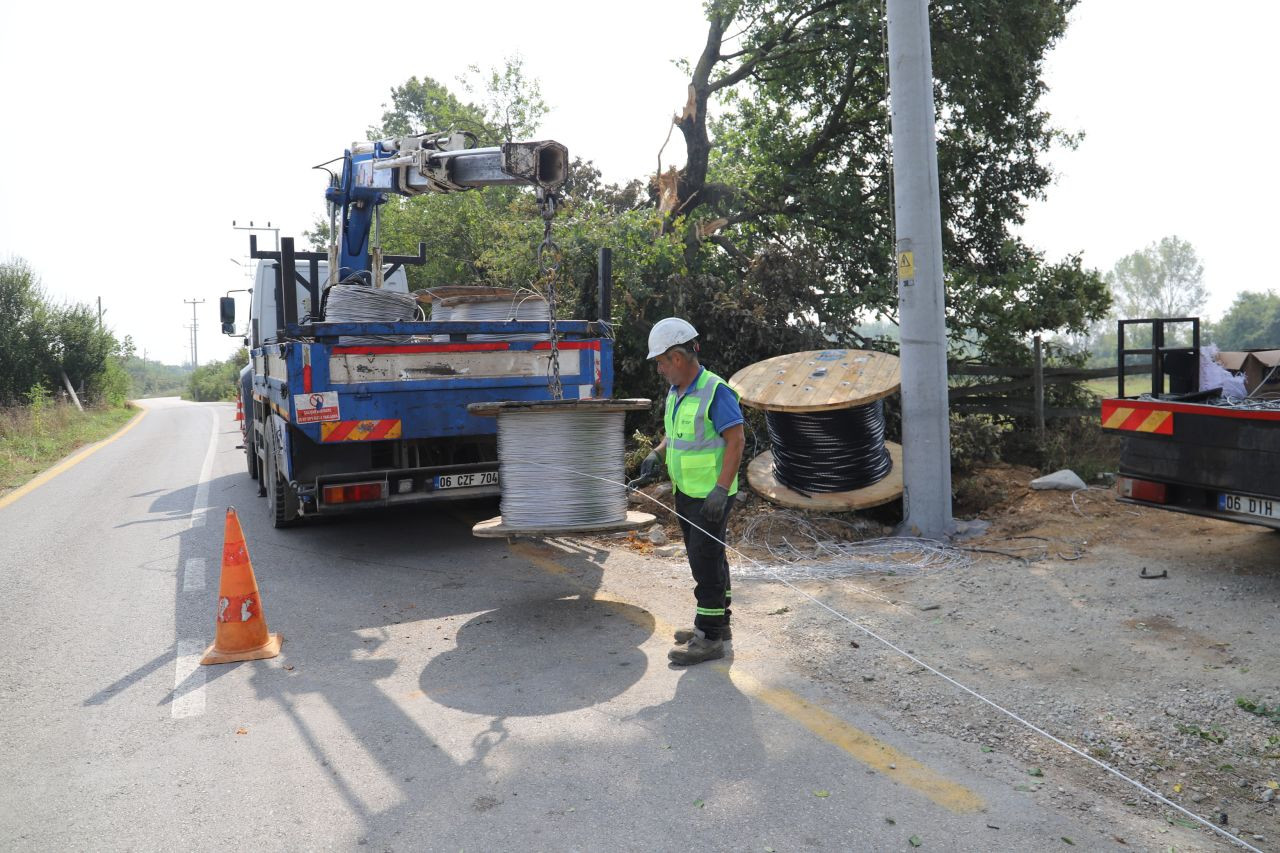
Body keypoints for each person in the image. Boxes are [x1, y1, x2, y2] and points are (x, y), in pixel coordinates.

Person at [638, 318, 745, 665]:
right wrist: (656, 453)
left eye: (661, 361)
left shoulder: (715, 391)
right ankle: (718, 623)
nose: (659, 368)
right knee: (711, 558)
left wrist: (721, 489)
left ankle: (708, 636)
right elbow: (675, 436)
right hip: (688, 492)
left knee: (705, 562)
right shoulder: (677, 392)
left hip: (711, 495)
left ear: (678, 358)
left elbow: (736, 440)